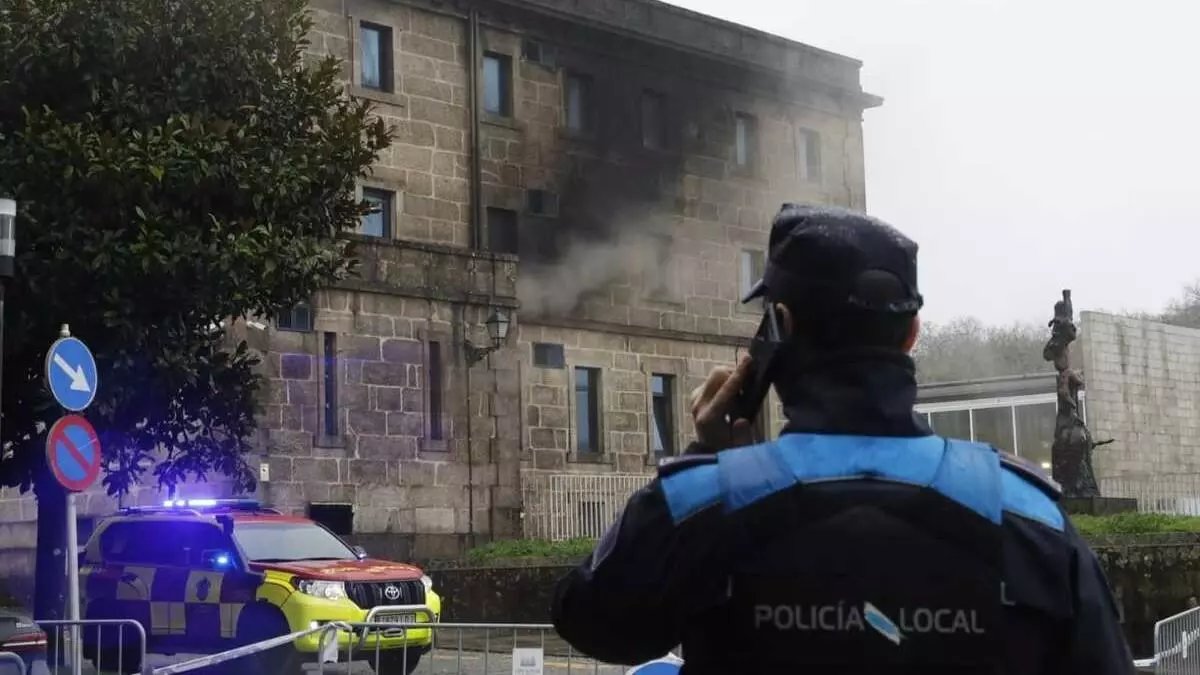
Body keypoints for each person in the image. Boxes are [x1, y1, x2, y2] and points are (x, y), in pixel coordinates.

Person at [550, 204, 1134, 674]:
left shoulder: (701, 505)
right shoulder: (1031, 518)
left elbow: (590, 617)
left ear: (780, 327)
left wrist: (706, 457)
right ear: (911, 334)